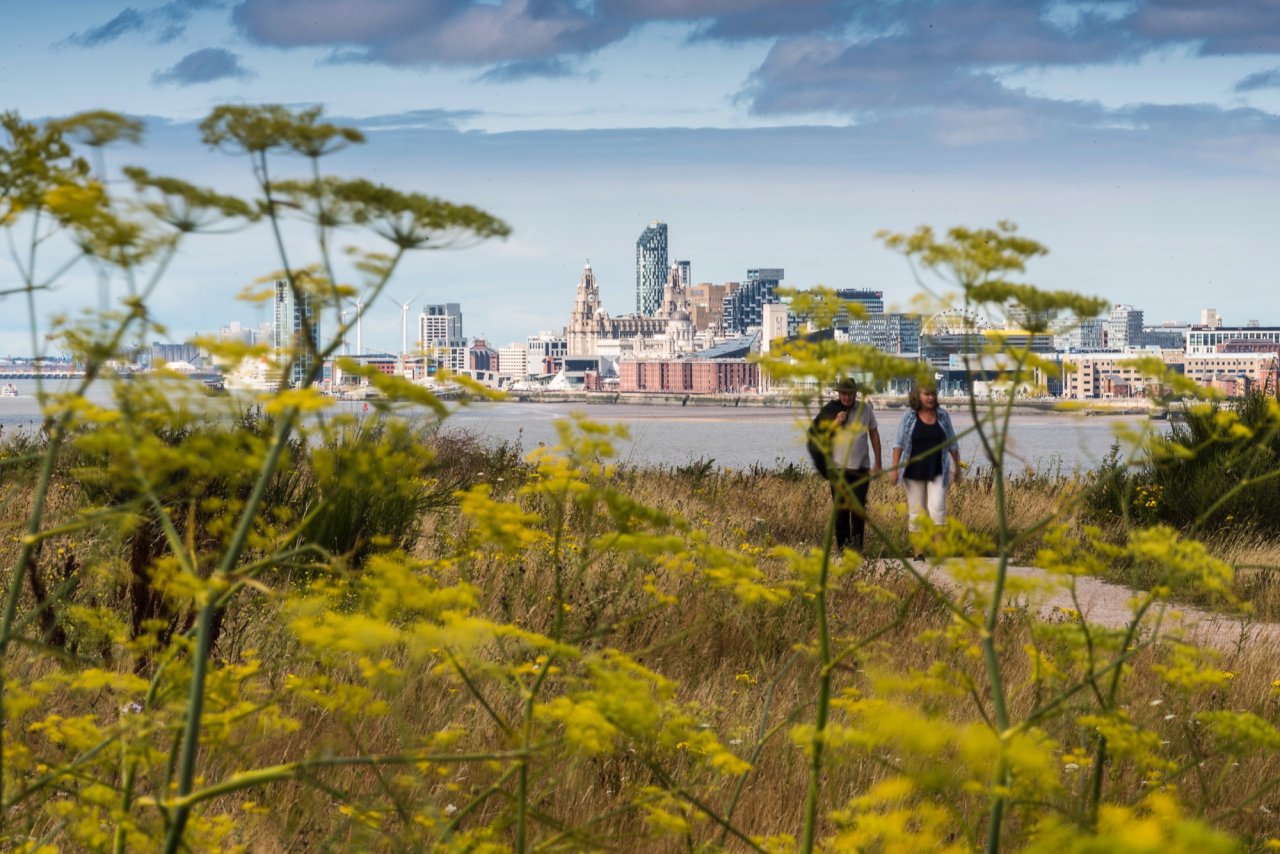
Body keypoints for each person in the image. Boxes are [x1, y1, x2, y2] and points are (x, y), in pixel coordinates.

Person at [808, 378, 882, 553]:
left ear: (855, 394)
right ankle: (843, 549)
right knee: (841, 512)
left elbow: (874, 435)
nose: (846, 397)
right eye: (843, 394)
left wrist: (878, 461)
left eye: (849, 394)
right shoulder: (829, 411)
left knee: (858, 511)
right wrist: (835, 423)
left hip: (861, 469)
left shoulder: (866, 410)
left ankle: (856, 550)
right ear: (838, 394)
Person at [891, 383, 962, 557]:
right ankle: (919, 553)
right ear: (918, 396)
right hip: (913, 472)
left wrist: (957, 466)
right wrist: (894, 469)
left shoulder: (943, 416)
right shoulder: (908, 417)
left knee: (937, 508)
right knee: (916, 512)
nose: (930, 398)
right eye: (926, 394)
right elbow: (899, 443)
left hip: (937, 470)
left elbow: (952, 443)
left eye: (933, 394)